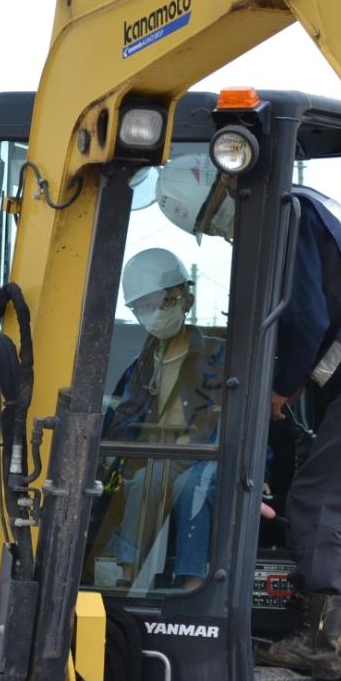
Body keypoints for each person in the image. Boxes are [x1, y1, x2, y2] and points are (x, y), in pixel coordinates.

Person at [156, 163, 341, 681]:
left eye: (215, 218)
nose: (222, 229)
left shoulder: (287, 215)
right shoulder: (313, 204)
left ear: (227, 188)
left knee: (317, 500)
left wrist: (283, 387)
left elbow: (306, 318)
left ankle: (320, 641)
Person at [89, 248, 225, 591]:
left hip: (197, 454)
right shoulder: (141, 364)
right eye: (143, 307)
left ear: (186, 299)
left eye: (162, 302)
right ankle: (109, 571)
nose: (153, 314)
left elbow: (235, 417)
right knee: (135, 483)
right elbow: (120, 418)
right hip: (152, 456)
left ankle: (163, 576)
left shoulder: (216, 355)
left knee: (176, 482)